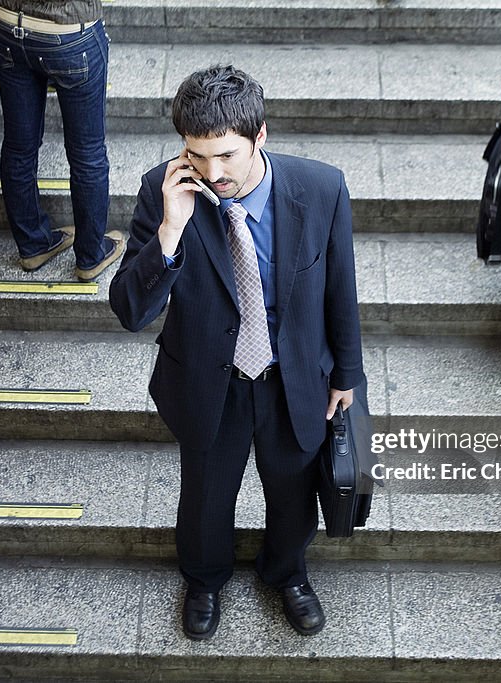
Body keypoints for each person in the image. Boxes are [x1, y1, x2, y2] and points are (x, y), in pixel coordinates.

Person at [109, 65, 364, 639]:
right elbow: (129, 311)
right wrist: (170, 233)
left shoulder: (321, 189)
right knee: (204, 494)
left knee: (294, 489)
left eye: (225, 156)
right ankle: (203, 578)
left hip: (290, 374)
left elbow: (340, 289)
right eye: (197, 156)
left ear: (260, 137)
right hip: (206, 380)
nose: (211, 173)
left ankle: (286, 571)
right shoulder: (164, 190)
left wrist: (347, 371)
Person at [0, 0, 124, 279]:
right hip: (70, 31)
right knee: (87, 153)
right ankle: (90, 256)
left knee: (18, 147)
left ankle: (32, 246)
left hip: (8, 26)